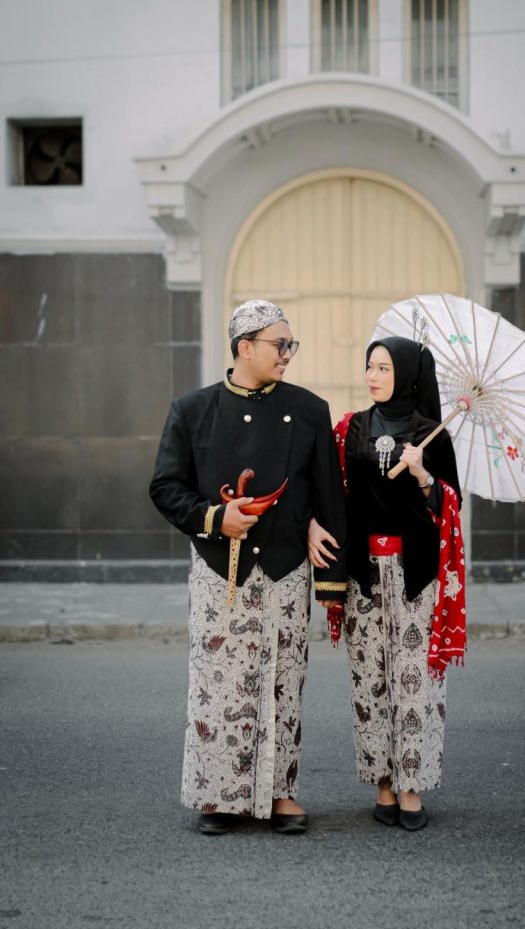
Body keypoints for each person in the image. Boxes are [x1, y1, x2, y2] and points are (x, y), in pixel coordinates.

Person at [150, 300, 346, 835]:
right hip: (220, 570)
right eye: (279, 344)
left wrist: (329, 573)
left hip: (286, 568)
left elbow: (326, 491)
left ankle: (281, 793)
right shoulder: (192, 410)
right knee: (219, 683)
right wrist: (216, 518)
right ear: (244, 347)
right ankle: (218, 796)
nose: (288, 354)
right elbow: (165, 487)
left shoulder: (309, 409)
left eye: (290, 345)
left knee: (284, 681)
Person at [309, 336, 465, 831]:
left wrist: (422, 476)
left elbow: (451, 504)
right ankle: (382, 782)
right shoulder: (350, 428)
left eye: (383, 368)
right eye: (370, 366)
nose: (372, 376)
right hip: (363, 573)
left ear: (407, 376)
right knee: (369, 677)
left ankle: (411, 785)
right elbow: (331, 492)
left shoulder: (431, 434)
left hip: (414, 574)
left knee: (413, 679)